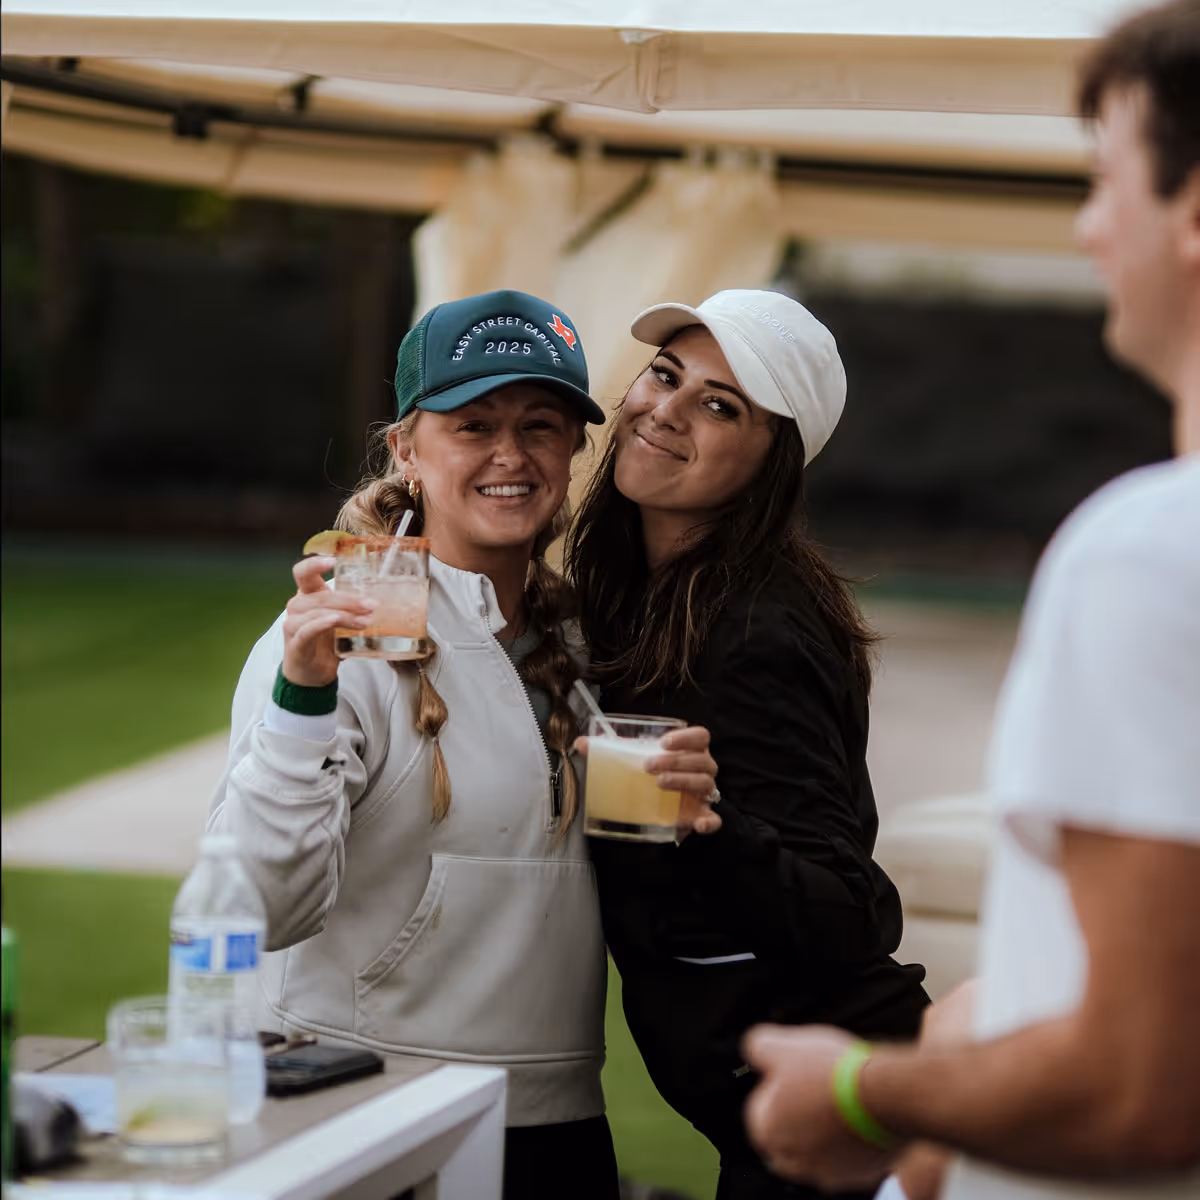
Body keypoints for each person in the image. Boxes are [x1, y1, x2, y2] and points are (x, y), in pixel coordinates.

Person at [740, 3, 1200, 1197]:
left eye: (1107, 180)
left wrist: (860, 1090)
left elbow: (1145, 1084)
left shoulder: (1147, 551)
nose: (1089, 228)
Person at [207, 288, 709, 1200]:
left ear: (573, 449)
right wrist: (301, 696)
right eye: (473, 425)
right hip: (359, 1106)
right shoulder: (342, 635)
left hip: (557, 1118)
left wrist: (684, 806)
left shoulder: (593, 644)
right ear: (407, 448)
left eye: (541, 425)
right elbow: (259, 910)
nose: (510, 456)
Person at [567, 288, 931, 1200]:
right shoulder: (636, 594)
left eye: (720, 406)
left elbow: (853, 914)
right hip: (768, 1129)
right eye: (665, 374)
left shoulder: (758, 630)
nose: (667, 410)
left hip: (847, 1123)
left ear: (773, 462)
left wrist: (707, 826)